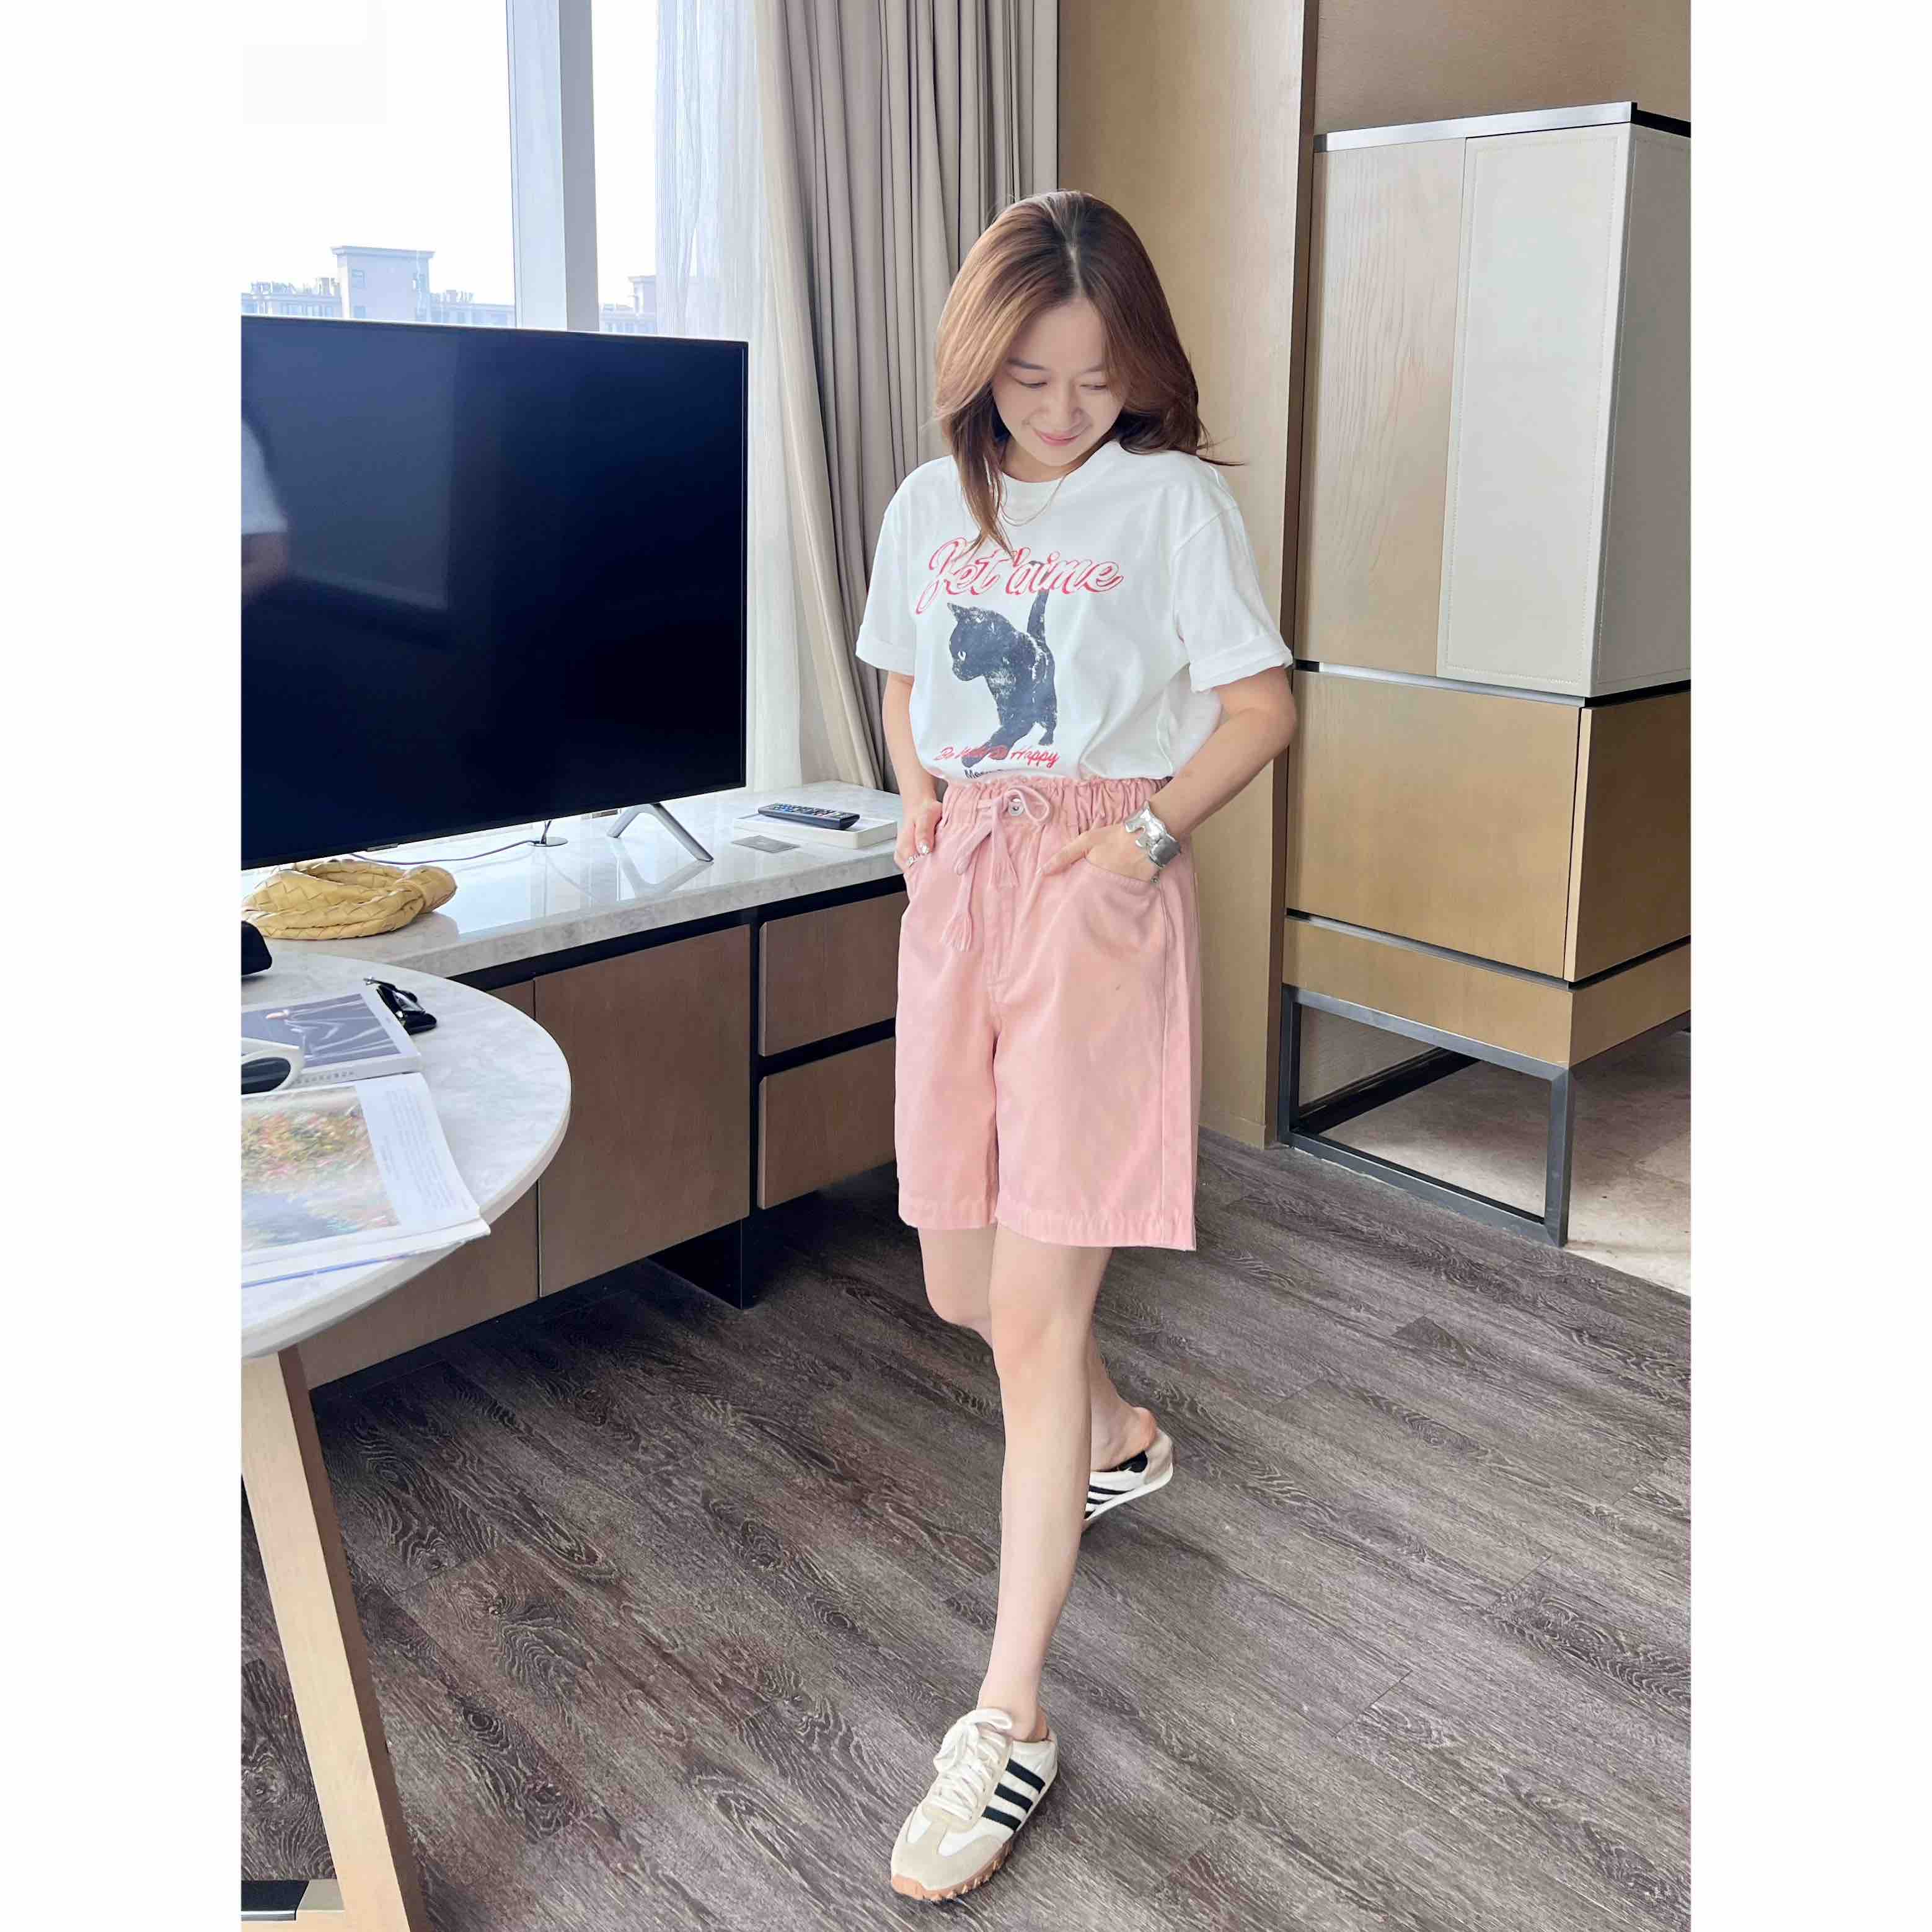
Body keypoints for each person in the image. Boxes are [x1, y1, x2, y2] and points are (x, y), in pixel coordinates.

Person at [854, 189, 1299, 1902]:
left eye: (1097, 381)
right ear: (980, 361)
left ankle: (1008, 1718)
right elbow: (904, 676)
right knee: (959, 1282)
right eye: (1030, 378)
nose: (1061, 412)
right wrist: (916, 793)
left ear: (1141, 372)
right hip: (961, 892)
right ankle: (1120, 1438)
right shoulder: (927, 504)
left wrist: (1139, 846)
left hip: (1096, 892)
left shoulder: (1173, 504)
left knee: (1032, 1323)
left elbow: (1258, 707)